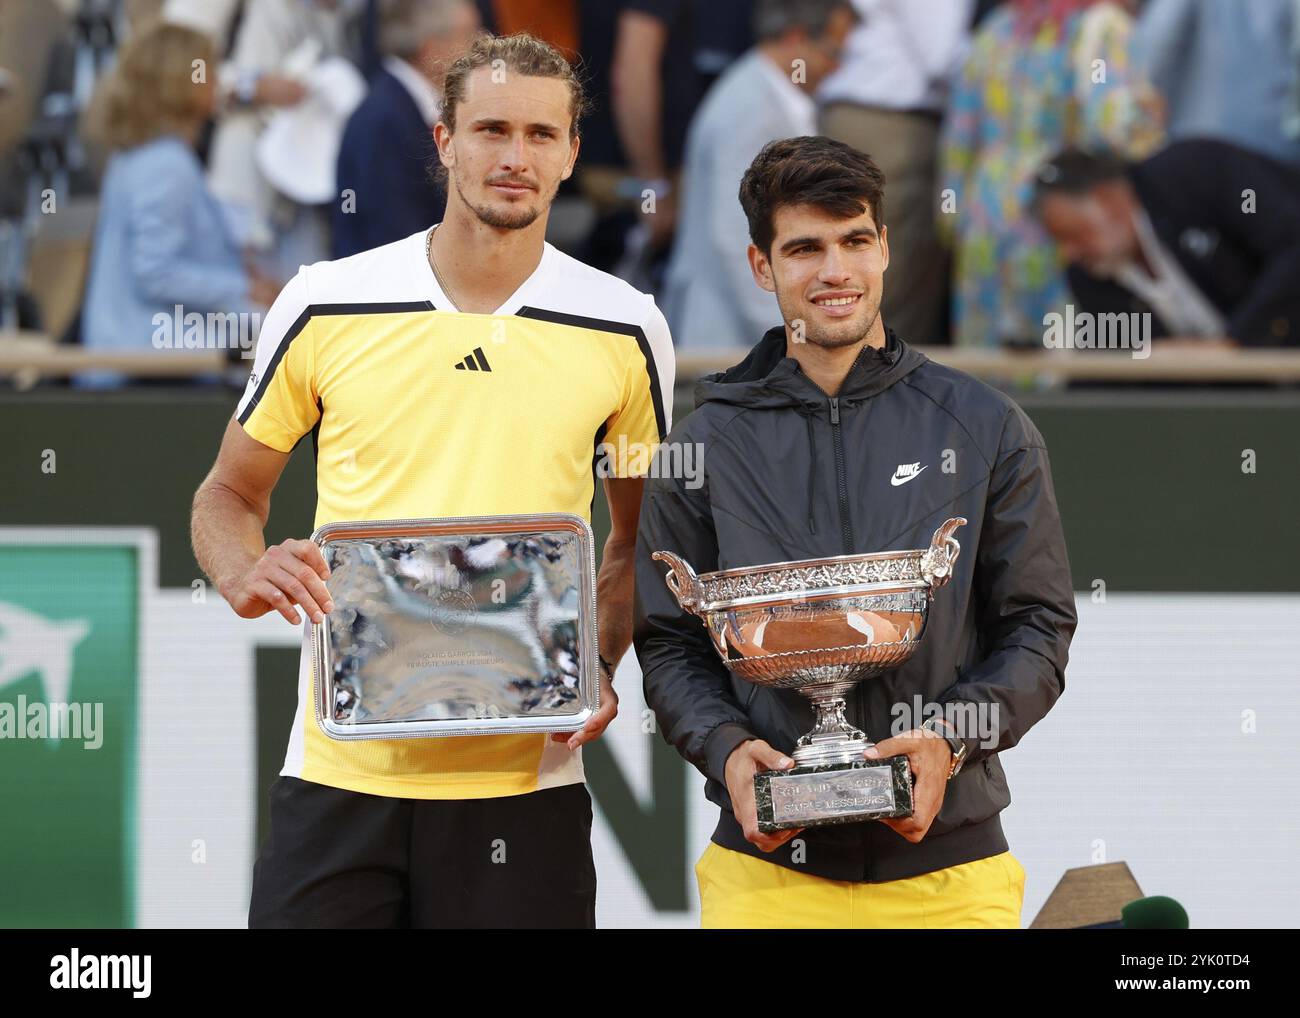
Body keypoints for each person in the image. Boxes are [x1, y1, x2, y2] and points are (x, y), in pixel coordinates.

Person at [191, 31, 675, 928]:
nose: (515, 157)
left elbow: (634, 541)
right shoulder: (323, 300)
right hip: (339, 779)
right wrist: (239, 569)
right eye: (491, 130)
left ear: (573, 152)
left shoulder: (626, 326)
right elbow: (228, 494)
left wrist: (598, 665)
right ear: (445, 140)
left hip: (526, 790)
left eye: (540, 135)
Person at [633, 136, 1077, 929]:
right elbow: (669, 642)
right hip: (766, 875)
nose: (833, 271)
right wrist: (730, 751)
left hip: (953, 869)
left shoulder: (983, 425)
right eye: (804, 248)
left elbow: (1038, 625)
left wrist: (947, 741)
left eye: (854, 241)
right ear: (762, 266)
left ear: (884, 248)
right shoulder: (704, 446)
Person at [938, 0, 1163, 347]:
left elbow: (958, 140)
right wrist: (1151, 120)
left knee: (985, 362)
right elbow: (1109, 129)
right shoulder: (1100, 27)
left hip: (984, 212)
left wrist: (953, 219)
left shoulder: (996, 30)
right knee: (1053, 356)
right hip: (1059, 209)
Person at [78, 19, 278, 389]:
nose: (217, 78)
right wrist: (243, 289)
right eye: (206, 68)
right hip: (150, 369)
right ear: (180, 81)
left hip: (138, 361)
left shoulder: (135, 158)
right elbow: (156, 271)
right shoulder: (166, 163)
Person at [663, 0, 856, 349]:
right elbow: (734, 236)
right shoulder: (749, 108)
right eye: (832, 53)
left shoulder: (764, 94)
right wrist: (794, 334)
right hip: (730, 338)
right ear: (796, 38)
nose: (838, 68)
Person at [1033, 142, 1300, 349]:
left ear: (1108, 200)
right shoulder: (1086, 277)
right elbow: (1120, 370)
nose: (1069, 252)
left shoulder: (1197, 173)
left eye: (1073, 234)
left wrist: (1235, 341)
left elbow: (1291, 246)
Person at [817, 0, 973, 346]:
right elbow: (943, 57)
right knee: (880, 294)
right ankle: (867, 399)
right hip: (892, 127)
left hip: (868, 120)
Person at [333, 0, 480, 257]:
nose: (479, 48)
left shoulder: (406, 105)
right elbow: (394, 237)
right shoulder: (384, 119)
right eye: (468, 35)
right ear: (431, 47)